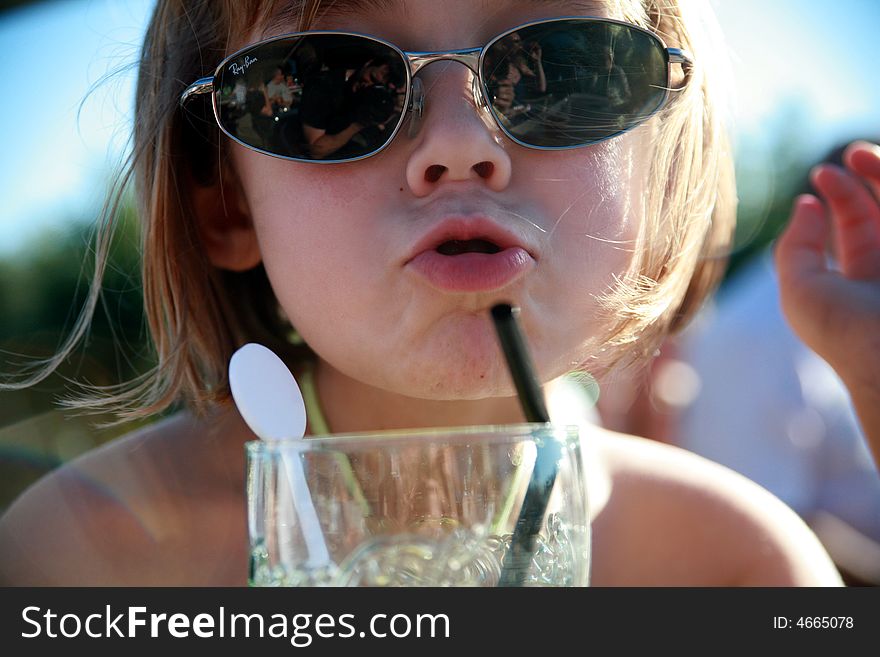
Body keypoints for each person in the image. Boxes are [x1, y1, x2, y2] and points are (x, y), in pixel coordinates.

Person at [0, 0, 845, 586]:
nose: (458, 143)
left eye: (561, 70)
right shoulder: (78, 555)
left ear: (660, 169)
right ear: (224, 200)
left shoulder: (737, 565)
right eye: (330, 85)